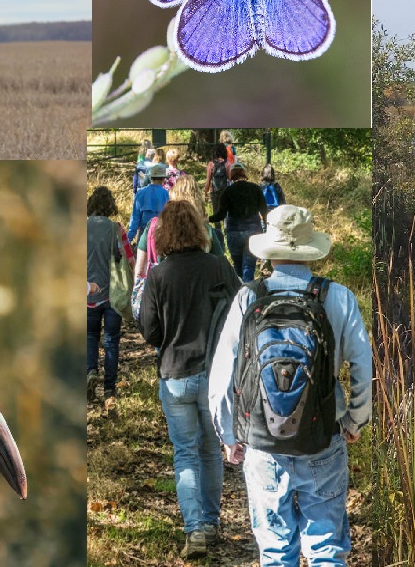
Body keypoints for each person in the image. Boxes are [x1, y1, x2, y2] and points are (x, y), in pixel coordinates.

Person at [208, 205, 373, 567]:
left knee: (276, 552)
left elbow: (222, 373)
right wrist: (354, 421)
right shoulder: (339, 298)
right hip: (323, 439)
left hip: (263, 444)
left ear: (269, 249)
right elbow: (363, 365)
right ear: (311, 247)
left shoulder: (248, 298)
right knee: (326, 549)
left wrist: (229, 434)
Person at [138, 200, 243, 559]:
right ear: (199, 230)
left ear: (163, 234)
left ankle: (195, 530)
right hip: (215, 376)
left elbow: (150, 332)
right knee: (211, 450)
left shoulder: (159, 276)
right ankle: (212, 524)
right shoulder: (219, 267)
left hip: (175, 375)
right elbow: (239, 313)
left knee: (185, 454)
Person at [86, 187, 133, 402]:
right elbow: (129, 259)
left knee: (89, 337)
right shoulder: (116, 229)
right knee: (111, 340)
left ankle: (90, 371)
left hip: (87, 295)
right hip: (112, 295)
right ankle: (109, 389)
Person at [208, 165, 269, 280]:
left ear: (231, 175)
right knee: (249, 267)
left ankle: (239, 292)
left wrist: (207, 219)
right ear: (244, 174)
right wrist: (267, 228)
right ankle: (249, 292)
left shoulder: (228, 191)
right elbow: (264, 211)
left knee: (238, 268)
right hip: (253, 232)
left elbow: (220, 215)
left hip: (234, 232)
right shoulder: (255, 188)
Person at [128, 163, 171, 242]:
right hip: (160, 235)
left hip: (144, 235)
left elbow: (135, 219)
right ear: (163, 179)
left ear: (150, 178)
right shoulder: (166, 194)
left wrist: (129, 239)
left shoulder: (140, 193)